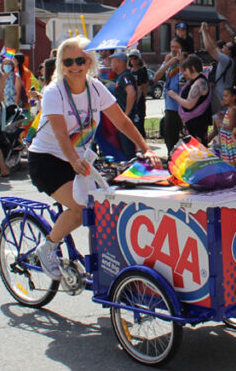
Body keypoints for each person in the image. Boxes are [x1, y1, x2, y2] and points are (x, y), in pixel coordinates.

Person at [30, 36, 161, 280]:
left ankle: (107, 264)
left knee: (106, 207)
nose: (75, 66)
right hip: (48, 160)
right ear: (61, 64)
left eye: (80, 60)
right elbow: (60, 133)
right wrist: (73, 160)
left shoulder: (96, 88)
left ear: (89, 61)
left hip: (80, 160)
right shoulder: (53, 92)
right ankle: (47, 247)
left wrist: (145, 148)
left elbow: (121, 120)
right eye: (68, 61)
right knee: (81, 209)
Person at [167, 54, 212, 141]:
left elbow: (189, 104)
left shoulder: (199, 83)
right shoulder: (192, 82)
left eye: (185, 70)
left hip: (197, 126)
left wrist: (175, 96)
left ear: (193, 68)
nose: (184, 73)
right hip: (191, 125)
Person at [155, 36, 187, 154]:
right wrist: (167, 64)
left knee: (185, 138)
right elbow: (156, 77)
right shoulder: (168, 61)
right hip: (170, 106)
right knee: (170, 137)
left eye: (176, 47)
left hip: (183, 105)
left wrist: (181, 61)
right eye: (172, 47)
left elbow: (186, 78)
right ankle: (171, 158)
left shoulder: (187, 60)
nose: (173, 50)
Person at [201, 22, 236, 116]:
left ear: (229, 52)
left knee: (222, 124)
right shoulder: (227, 59)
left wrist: (203, 32)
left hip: (221, 98)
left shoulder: (225, 59)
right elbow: (215, 47)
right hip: (221, 96)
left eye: (225, 46)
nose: (223, 46)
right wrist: (207, 32)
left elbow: (210, 49)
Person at [110, 52, 139, 156]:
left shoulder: (125, 76)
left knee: (129, 151)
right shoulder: (122, 76)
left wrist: (126, 114)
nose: (111, 63)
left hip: (127, 119)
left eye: (112, 61)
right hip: (126, 118)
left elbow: (131, 93)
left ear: (118, 62)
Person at [213, 87, 236, 168]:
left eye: (226, 96)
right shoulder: (230, 109)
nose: (224, 98)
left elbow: (231, 126)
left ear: (234, 97)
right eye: (224, 96)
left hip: (230, 142)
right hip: (228, 141)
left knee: (232, 163)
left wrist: (220, 124)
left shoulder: (232, 110)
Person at [127, 50, 149, 138]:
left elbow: (142, 87)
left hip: (138, 101)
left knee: (139, 123)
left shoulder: (142, 71)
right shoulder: (130, 72)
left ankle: (142, 142)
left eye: (135, 57)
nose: (133, 60)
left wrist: (135, 101)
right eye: (131, 58)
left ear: (139, 59)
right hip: (131, 100)